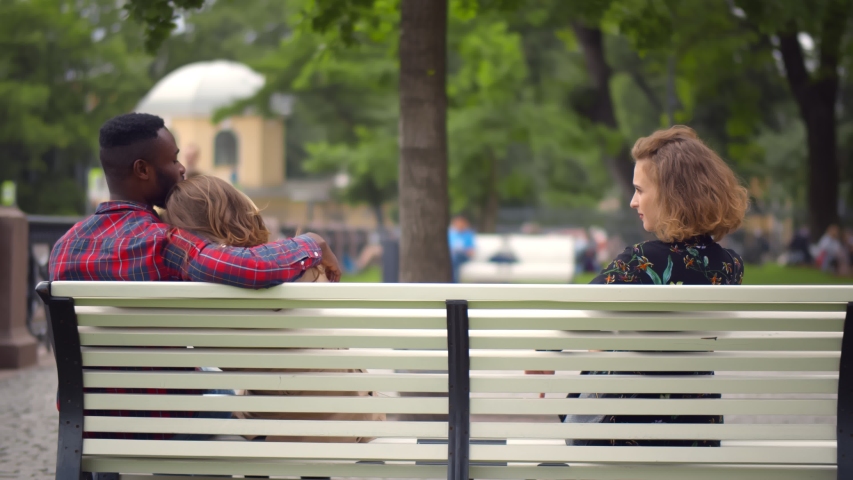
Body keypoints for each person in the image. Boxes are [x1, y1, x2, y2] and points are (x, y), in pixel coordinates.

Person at [48, 113, 341, 440]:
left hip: (90, 424)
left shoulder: (64, 246)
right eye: (173, 160)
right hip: (164, 423)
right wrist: (313, 243)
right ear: (142, 170)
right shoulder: (165, 243)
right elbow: (252, 267)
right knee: (225, 393)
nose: (181, 169)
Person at [162, 175, 385, 444]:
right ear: (237, 212)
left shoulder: (191, 298)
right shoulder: (303, 270)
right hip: (347, 422)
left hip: (270, 431)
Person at [564, 125, 749, 447]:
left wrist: (544, 354)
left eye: (640, 190)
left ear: (671, 196)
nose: (633, 202)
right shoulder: (730, 266)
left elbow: (573, 312)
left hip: (625, 435)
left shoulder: (640, 261)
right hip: (698, 434)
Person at [448, 215, 476, 283]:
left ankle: (454, 282)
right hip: (451, 255)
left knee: (455, 258)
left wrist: (463, 251)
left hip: (463, 255)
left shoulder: (468, 234)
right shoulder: (450, 234)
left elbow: (471, 251)